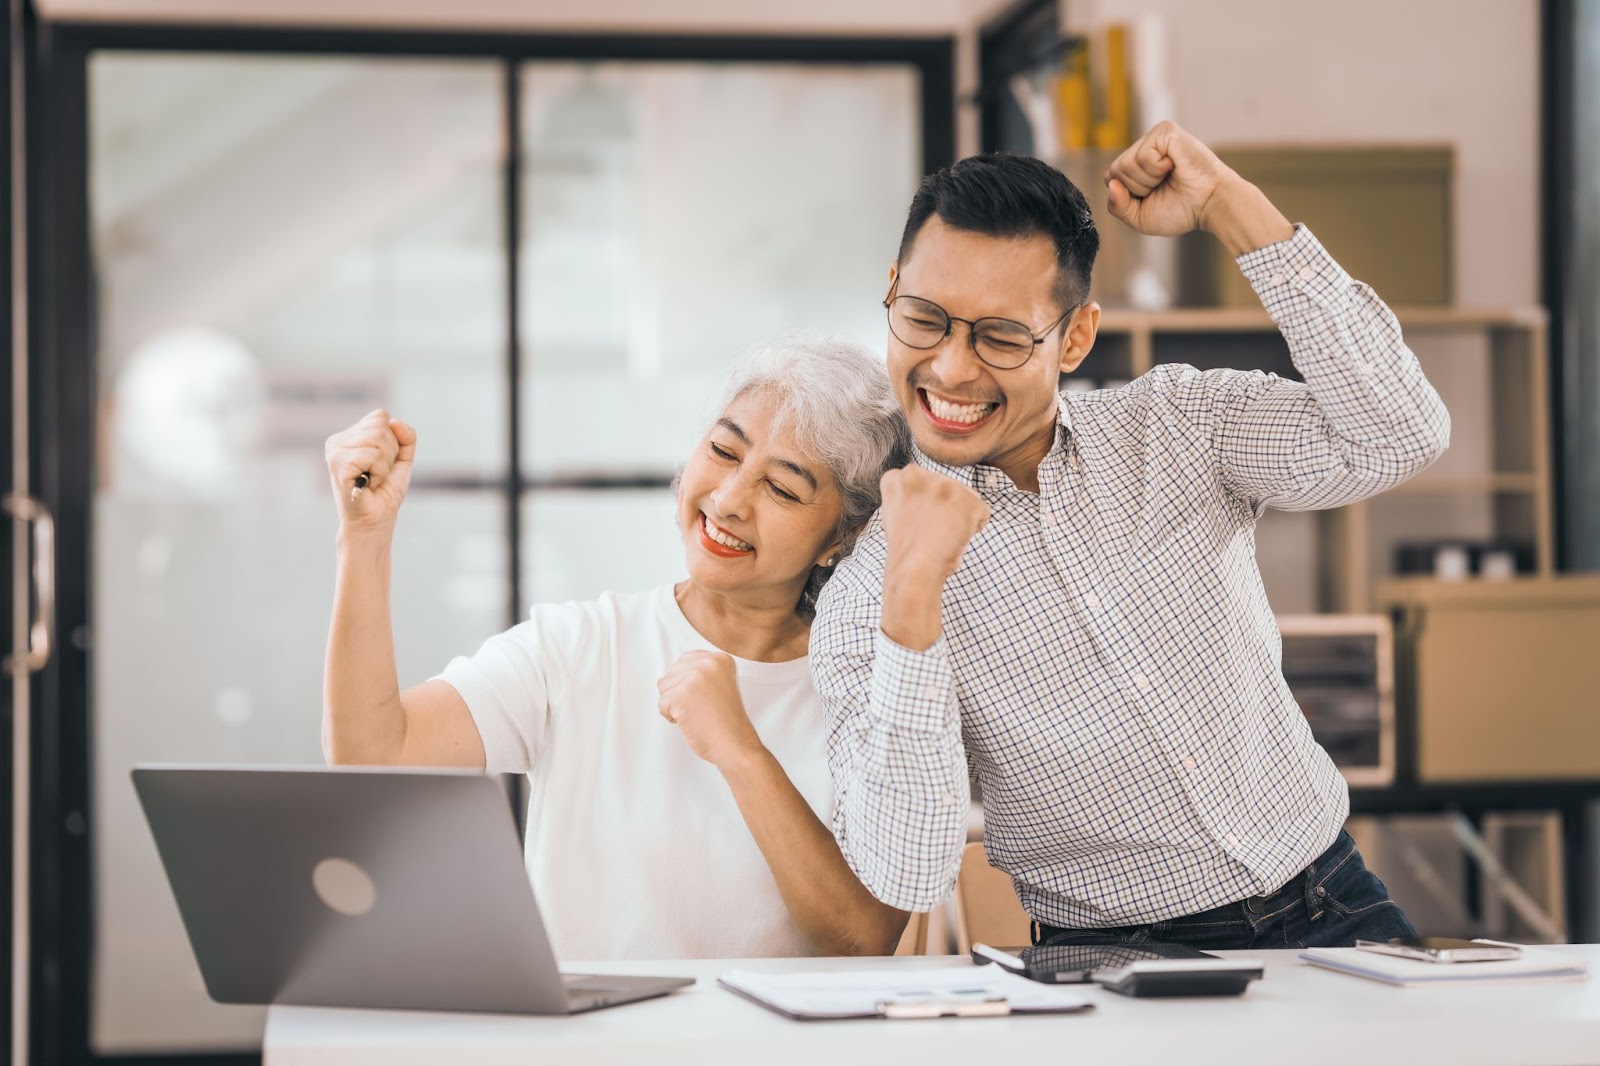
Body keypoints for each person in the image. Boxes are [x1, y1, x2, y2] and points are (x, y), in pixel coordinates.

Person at [812, 121, 1449, 951]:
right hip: (1111, 961)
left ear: (1074, 337)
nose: (954, 368)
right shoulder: (873, 589)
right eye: (925, 318)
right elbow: (909, 871)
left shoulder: (1177, 425)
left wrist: (1229, 204)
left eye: (1001, 335)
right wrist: (913, 596)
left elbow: (1399, 434)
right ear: (893, 290)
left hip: (1336, 904)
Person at [323, 338, 911, 960]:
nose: (731, 500)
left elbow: (862, 938)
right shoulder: (580, 646)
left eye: (784, 490)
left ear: (842, 536)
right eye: (722, 450)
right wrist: (363, 538)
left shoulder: (873, 689)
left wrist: (741, 751)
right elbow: (372, 754)